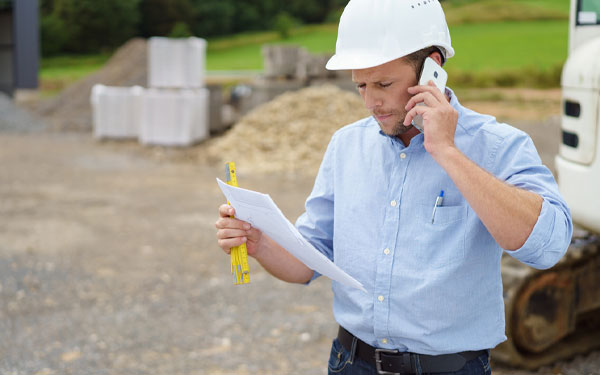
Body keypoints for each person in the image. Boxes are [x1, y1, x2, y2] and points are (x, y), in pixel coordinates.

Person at [215, 0, 573, 374]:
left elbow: (547, 248)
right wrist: (260, 244)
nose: (371, 102)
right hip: (351, 362)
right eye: (361, 86)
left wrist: (448, 152)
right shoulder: (346, 145)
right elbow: (309, 260)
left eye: (384, 84)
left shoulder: (497, 145)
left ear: (432, 66)